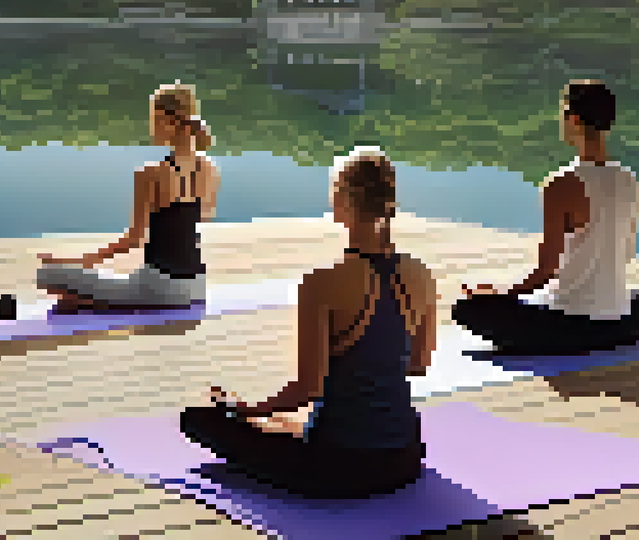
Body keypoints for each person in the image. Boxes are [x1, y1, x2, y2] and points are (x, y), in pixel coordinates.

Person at [180, 148, 436, 498]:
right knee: (292, 424)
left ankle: (252, 417)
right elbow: (419, 365)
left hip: (338, 465)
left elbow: (308, 389)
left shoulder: (321, 282)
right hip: (405, 458)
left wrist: (247, 408)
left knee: (198, 417)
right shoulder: (422, 276)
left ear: (342, 201)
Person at [453, 79, 639, 356]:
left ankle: (562, 338)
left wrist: (499, 292)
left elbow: (546, 272)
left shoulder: (561, 183)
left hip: (567, 323)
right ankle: (613, 331)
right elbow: (625, 254)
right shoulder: (629, 180)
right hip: (616, 319)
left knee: (467, 308)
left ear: (574, 119)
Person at [36, 82, 220, 312]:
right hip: (197, 285)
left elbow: (134, 240)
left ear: (171, 123)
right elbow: (204, 217)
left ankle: (96, 302)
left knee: (47, 275)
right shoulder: (210, 169)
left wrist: (77, 262)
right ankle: (98, 300)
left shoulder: (151, 173)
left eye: (155, 120)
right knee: (98, 286)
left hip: (161, 288)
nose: (152, 128)